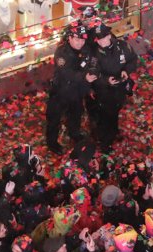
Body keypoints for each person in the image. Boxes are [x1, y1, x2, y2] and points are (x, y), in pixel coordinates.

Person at [87, 22, 138, 151]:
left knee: (115, 111)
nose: (102, 41)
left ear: (109, 36)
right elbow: (93, 73)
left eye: (104, 37)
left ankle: (114, 132)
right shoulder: (94, 54)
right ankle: (105, 142)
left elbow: (133, 59)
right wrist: (106, 80)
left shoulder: (123, 46)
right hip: (103, 91)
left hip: (119, 88)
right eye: (99, 39)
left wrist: (126, 70)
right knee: (104, 116)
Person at [46, 22, 94, 154]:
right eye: (77, 39)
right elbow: (67, 73)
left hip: (77, 92)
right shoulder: (62, 53)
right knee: (54, 119)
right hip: (60, 92)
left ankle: (74, 133)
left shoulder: (86, 49)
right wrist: (85, 77)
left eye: (82, 40)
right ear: (70, 38)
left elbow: (90, 63)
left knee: (75, 114)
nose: (80, 43)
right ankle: (52, 143)